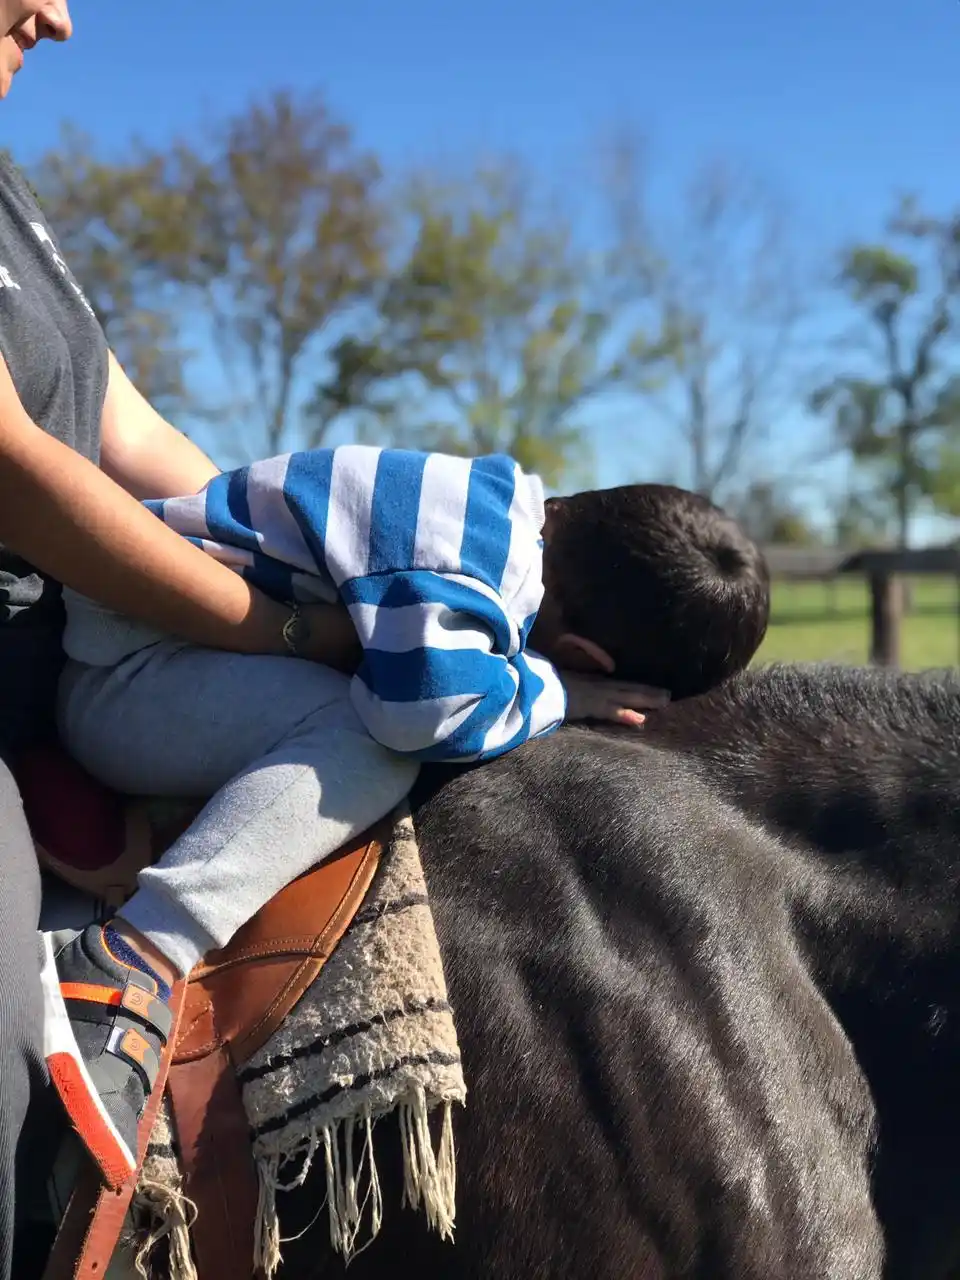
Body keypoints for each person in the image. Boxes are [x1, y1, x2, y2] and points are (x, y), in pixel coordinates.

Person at [0, 0, 639, 1264]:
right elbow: (13, 471)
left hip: (72, 639)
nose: (59, 16)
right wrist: (288, 630)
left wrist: (285, 547)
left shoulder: (10, 189)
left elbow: (136, 441)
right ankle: (114, 989)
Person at [50, 452, 769, 1192]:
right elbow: (422, 710)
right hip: (129, 676)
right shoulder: (467, 568)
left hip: (164, 646)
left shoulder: (487, 504)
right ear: (584, 653)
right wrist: (553, 688)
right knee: (370, 742)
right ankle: (139, 951)